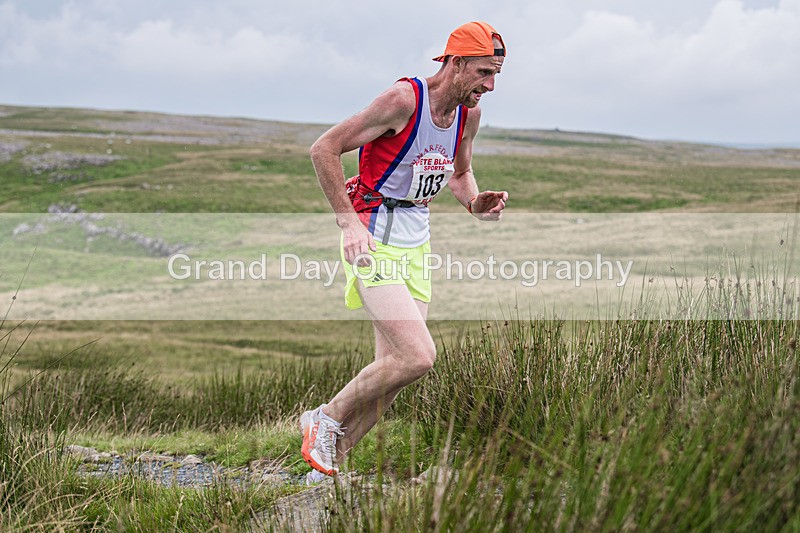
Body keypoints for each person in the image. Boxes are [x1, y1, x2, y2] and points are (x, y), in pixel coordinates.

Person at [301, 21, 509, 483]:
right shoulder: (404, 101)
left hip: (417, 240)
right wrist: (347, 220)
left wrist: (476, 203)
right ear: (455, 63)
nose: (490, 86)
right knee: (418, 356)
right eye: (483, 73)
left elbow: (459, 173)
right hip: (372, 237)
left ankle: (326, 470)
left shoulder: (468, 116)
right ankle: (324, 417)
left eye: (496, 75)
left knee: (394, 372)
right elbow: (325, 148)